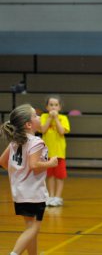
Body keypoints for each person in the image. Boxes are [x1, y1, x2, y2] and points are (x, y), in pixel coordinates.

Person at [0, 104, 58, 255]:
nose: (39, 117)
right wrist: (50, 163)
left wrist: (18, 174)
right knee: (34, 228)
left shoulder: (15, 141)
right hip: (33, 193)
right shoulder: (36, 142)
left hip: (19, 193)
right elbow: (34, 165)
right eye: (35, 115)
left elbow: (2, 162)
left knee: (30, 228)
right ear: (29, 124)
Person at [40, 95, 70, 207]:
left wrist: (56, 119)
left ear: (60, 107)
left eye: (56, 105)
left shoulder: (63, 118)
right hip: (47, 153)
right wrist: (49, 118)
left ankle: (58, 197)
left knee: (59, 176)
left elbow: (62, 131)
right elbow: (42, 129)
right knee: (50, 176)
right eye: (51, 105)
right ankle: (51, 196)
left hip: (59, 153)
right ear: (47, 107)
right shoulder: (43, 116)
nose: (53, 107)